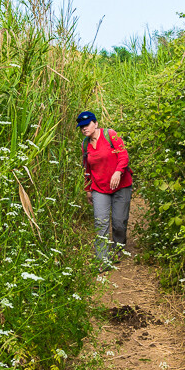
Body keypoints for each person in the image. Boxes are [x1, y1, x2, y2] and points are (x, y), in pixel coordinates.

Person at [77, 110, 133, 268]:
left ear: (95, 123)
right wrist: (88, 189)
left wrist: (118, 171)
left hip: (121, 186)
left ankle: (117, 250)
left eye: (87, 125)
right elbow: (87, 168)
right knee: (100, 222)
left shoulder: (110, 135)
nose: (84, 128)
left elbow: (123, 156)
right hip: (99, 188)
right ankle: (101, 260)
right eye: (81, 127)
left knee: (119, 222)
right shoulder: (85, 144)